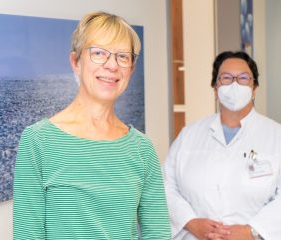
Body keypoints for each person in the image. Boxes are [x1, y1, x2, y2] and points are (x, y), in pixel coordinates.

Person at [13, 11, 171, 240]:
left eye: (123, 57)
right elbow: (28, 235)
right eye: (98, 53)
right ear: (75, 61)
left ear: (131, 69)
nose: (112, 65)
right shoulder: (38, 141)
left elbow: (157, 233)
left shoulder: (142, 149)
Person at [163, 51, 281, 240]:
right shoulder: (189, 135)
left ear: (254, 88)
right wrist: (191, 222)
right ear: (215, 89)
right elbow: (166, 184)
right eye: (226, 78)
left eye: (243, 78)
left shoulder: (279, 137)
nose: (234, 84)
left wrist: (252, 231)